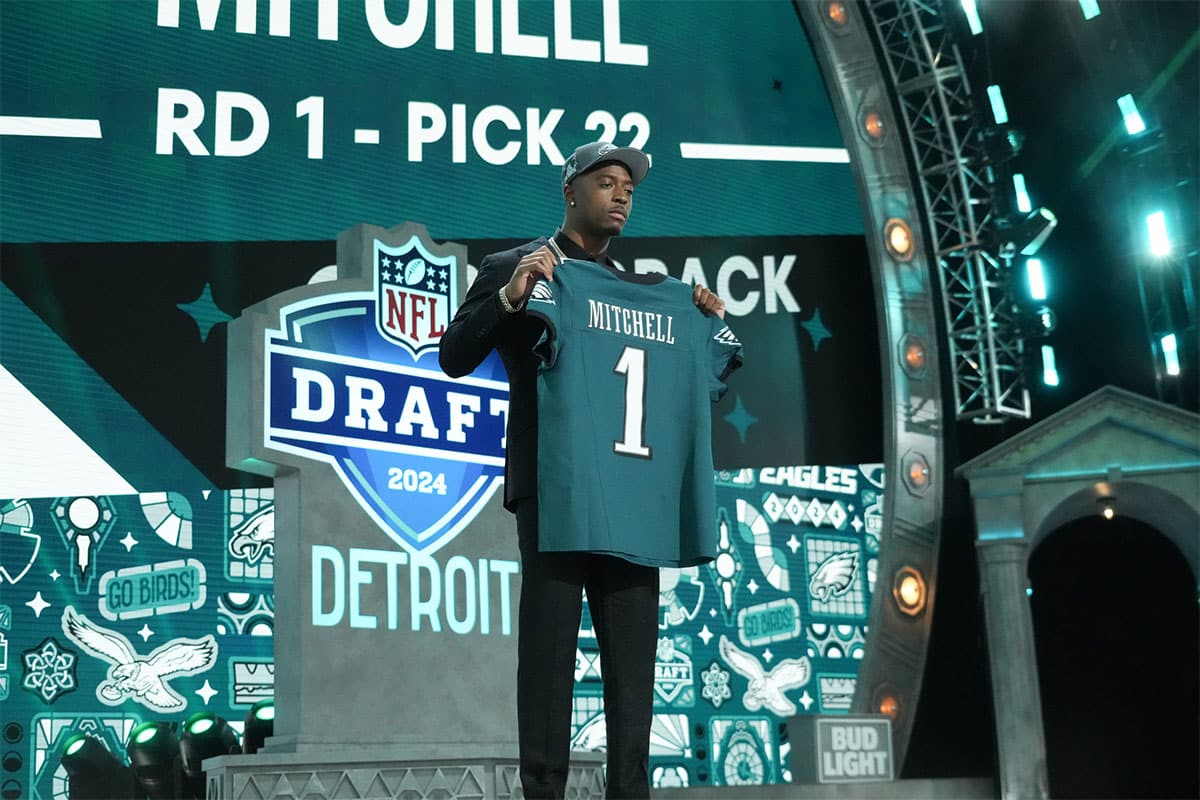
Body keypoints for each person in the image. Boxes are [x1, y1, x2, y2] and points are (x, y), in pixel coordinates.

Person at [438, 141, 725, 799]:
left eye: (629, 186)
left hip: (632, 494)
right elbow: (453, 355)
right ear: (570, 191)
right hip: (553, 489)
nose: (622, 194)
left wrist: (705, 322)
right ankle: (543, 790)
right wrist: (512, 295)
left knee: (634, 668)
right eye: (606, 181)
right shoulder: (518, 265)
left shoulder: (654, 295)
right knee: (548, 656)